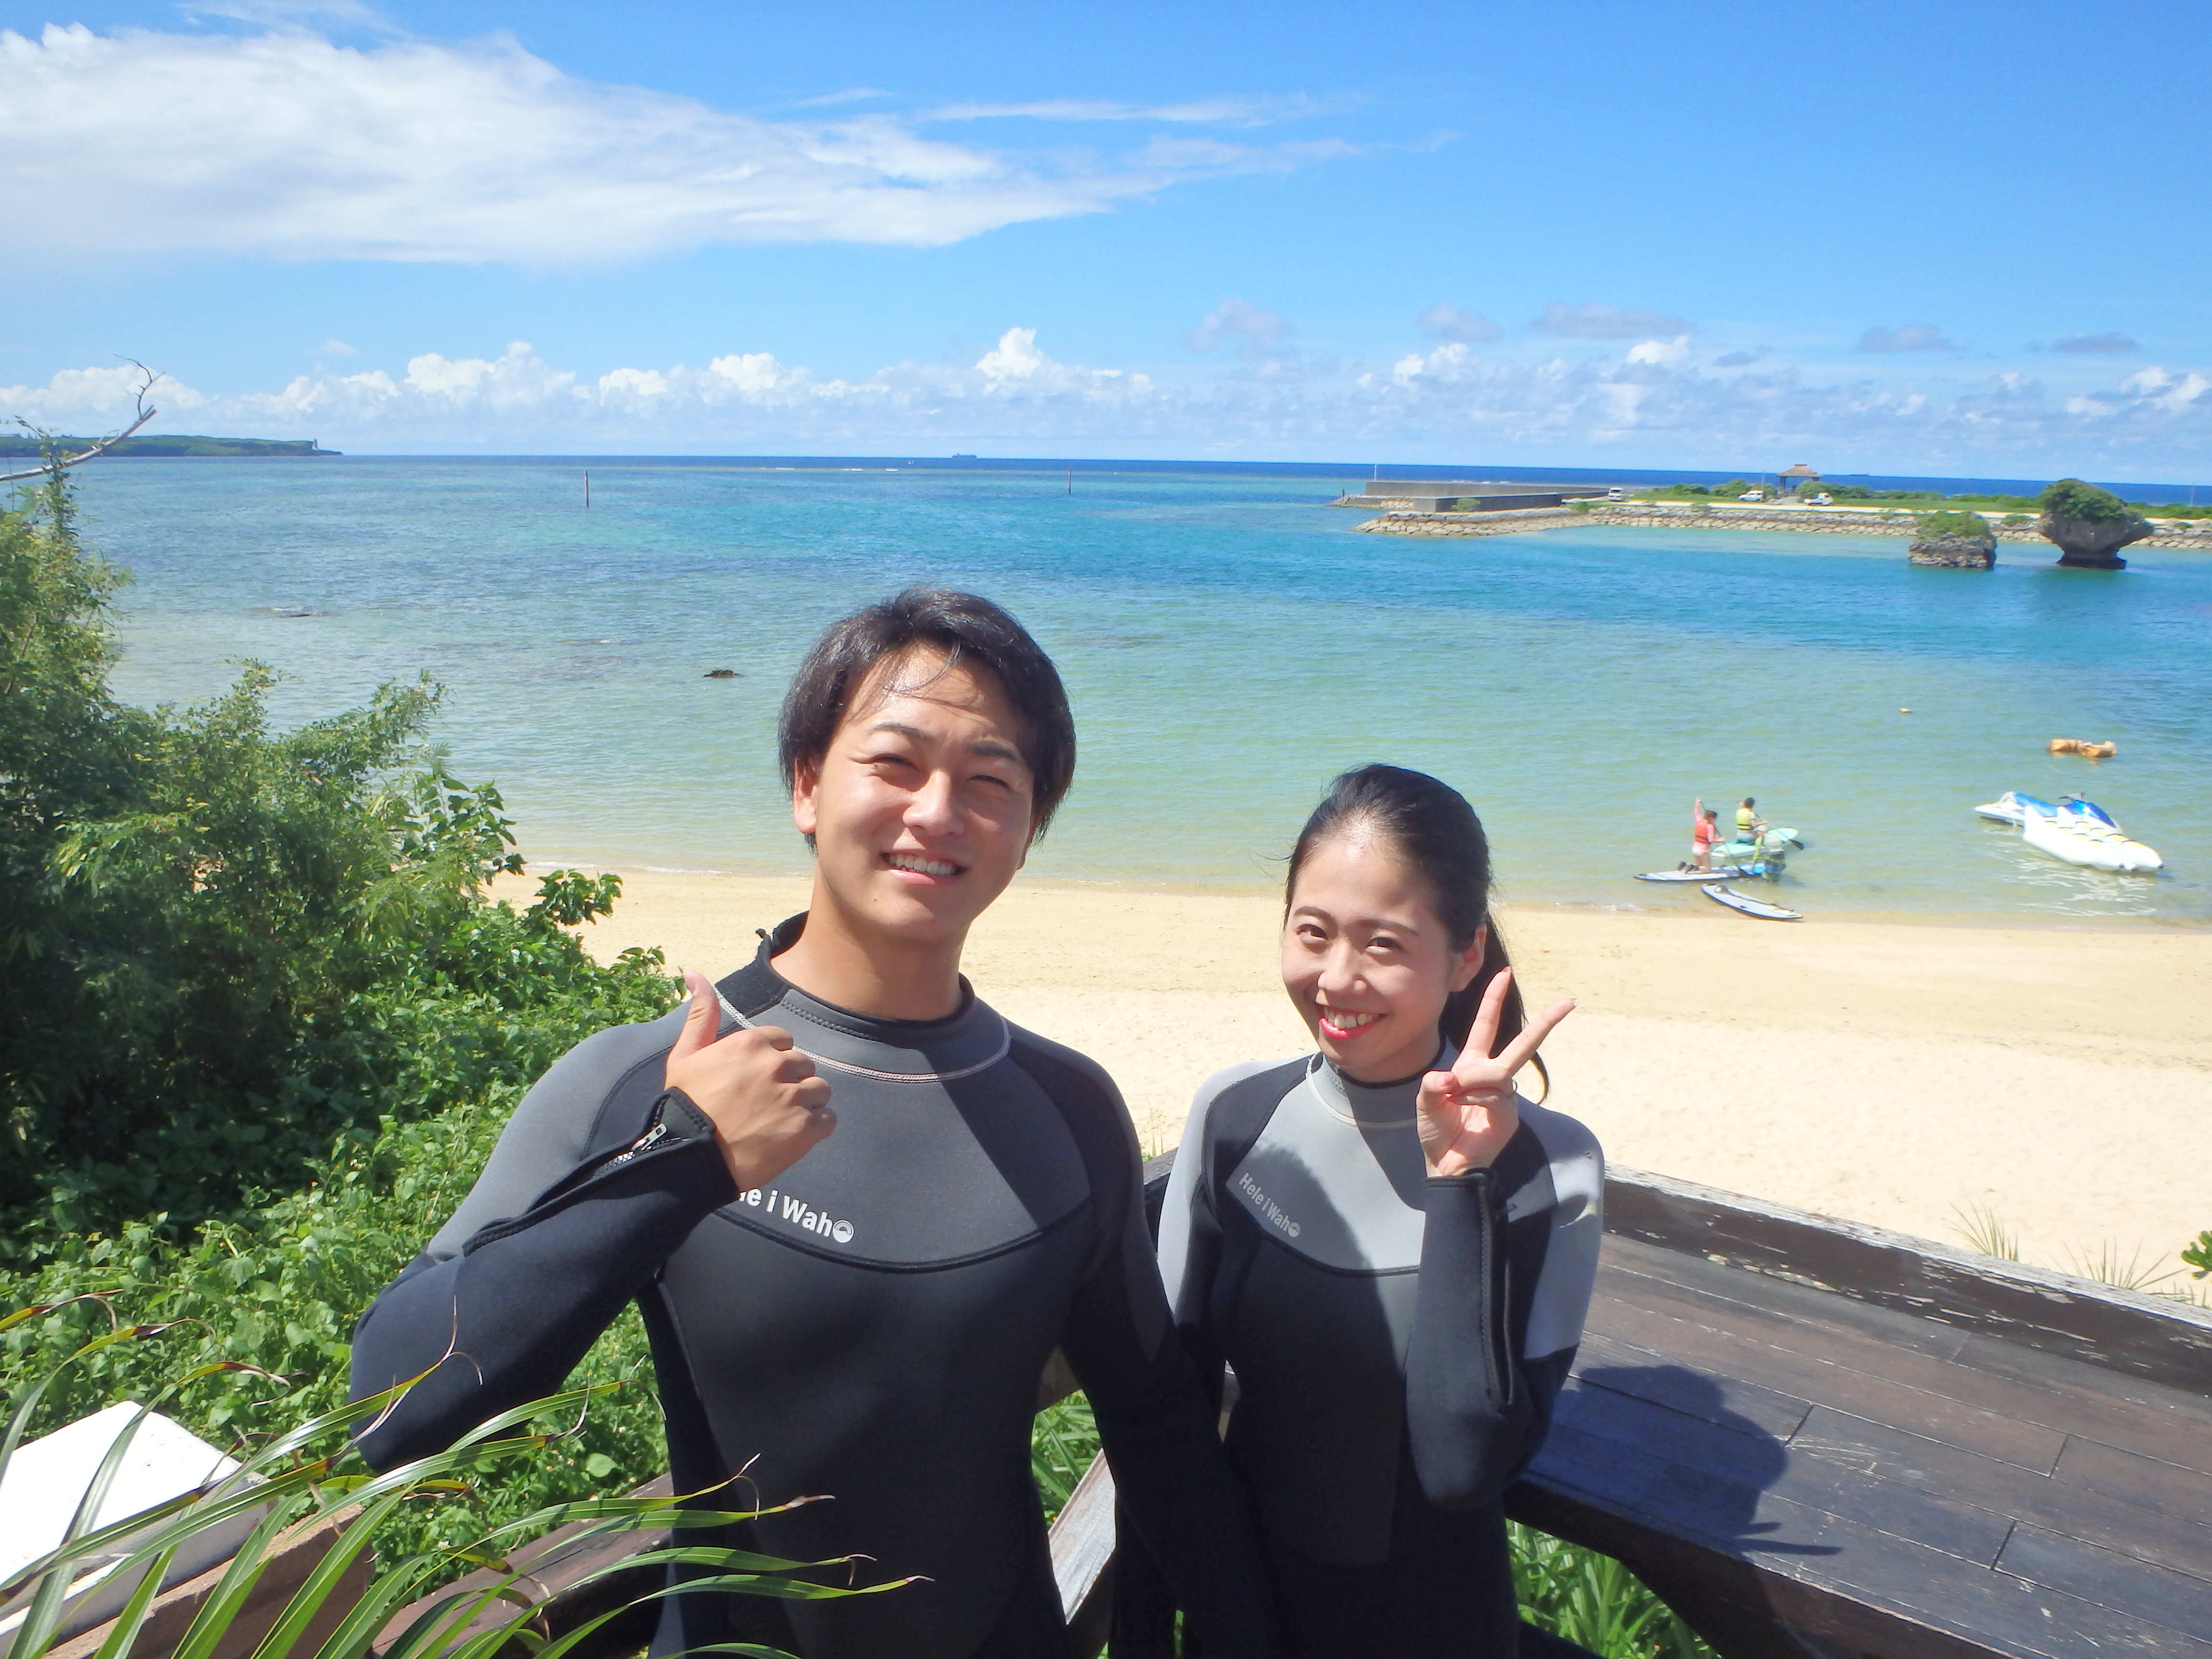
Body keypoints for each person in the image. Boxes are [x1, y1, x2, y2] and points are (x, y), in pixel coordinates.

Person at [349, 589, 1277, 1659]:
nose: (937, 811)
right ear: (806, 783)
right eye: (894, 763)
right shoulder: (652, 1078)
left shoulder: (1068, 1110)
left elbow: (1157, 1425)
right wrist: (683, 1159)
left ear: (1029, 831)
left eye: (989, 781)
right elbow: (392, 1408)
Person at [1141, 765, 1603, 1659]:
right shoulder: (1236, 1116)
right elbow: (1168, 1413)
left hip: (1435, 1629)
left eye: (1384, 944)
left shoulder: (1551, 1167)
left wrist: (1459, 1181)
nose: (1336, 979)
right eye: (1312, 932)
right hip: (1241, 1609)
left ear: (1466, 955)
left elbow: (1462, 1464)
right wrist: (1152, 1625)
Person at [1691, 797, 1721, 871]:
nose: (1715, 821)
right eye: (1715, 819)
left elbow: (1696, 813)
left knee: (1700, 867)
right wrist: (1721, 840)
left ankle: (1686, 866)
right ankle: (1692, 867)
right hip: (1703, 850)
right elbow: (1711, 840)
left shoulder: (1699, 821)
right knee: (1708, 870)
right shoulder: (1710, 826)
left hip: (1695, 848)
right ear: (1711, 818)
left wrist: (1697, 802)